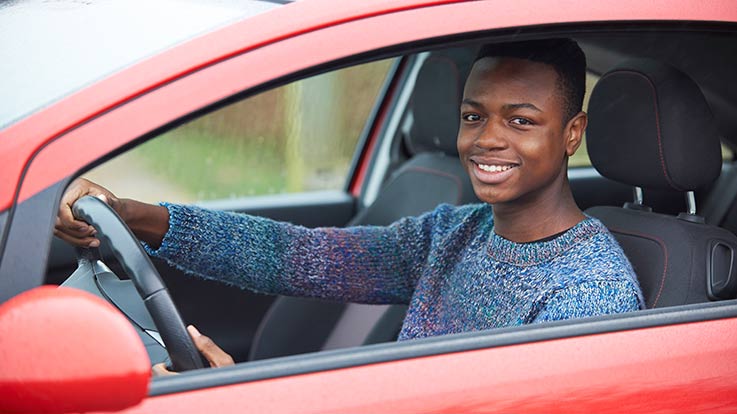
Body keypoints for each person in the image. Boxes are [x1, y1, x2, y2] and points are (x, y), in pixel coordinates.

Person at [55, 39, 645, 374]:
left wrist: (244, 398)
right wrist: (132, 214)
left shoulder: (590, 293)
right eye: (473, 116)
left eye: (520, 121)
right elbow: (299, 256)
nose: (487, 139)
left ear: (572, 133)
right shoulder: (456, 233)